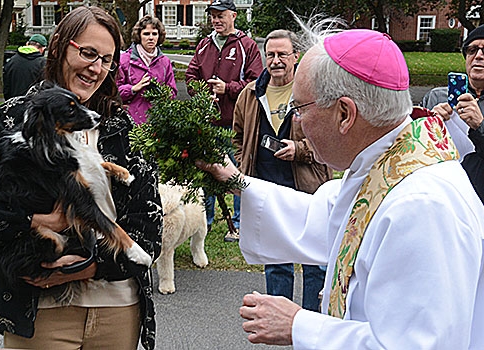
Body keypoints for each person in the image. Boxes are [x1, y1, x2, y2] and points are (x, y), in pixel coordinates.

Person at [199, 24, 484, 348]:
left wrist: (300, 325)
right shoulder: (386, 164)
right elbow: (324, 218)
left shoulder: (421, 207)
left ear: (345, 113)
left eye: (300, 108)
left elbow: (413, 344)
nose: (295, 122)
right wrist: (233, 179)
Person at [0, 7, 162, 350]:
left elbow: (149, 231)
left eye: (106, 59)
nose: (96, 68)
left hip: (118, 310)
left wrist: (86, 268)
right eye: (88, 53)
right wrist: (34, 220)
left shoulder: (123, 131)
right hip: (39, 313)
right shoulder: (11, 120)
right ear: (59, 46)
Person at [232, 29, 331, 311]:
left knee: (314, 263)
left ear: (295, 57)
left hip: (307, 189)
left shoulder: (313, 91)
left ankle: (311, 325)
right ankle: (280, 325)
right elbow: (238, 136)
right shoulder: (249, 94)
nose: (276, 61)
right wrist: (243, 165)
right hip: (266, 190)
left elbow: (331, 138)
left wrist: (299, 150)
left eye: (282, 55)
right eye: (270, 55)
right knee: (276, 263)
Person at [185, 0, 263, 242]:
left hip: (235, 124)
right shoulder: (204, 45)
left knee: (238, 174)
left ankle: (239, 224)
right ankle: (204, 221)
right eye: (213, 16)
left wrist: (227, 88)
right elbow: (190, 75)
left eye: (221, 16)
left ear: (233, 16)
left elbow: (256, 82)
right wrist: (200, 90)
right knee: (207, 173)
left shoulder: (246, 46)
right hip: (207, 122)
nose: (216, 20)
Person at [421, 24, 484, 204]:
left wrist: (480, 125)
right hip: (441, 198)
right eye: (472, 50)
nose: (478, 56)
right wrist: (428, 124)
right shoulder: (437, 96)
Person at [117, 15, 177, 124]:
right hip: (131, 122)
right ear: (139, 35)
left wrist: (161, 93)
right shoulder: (124, 60)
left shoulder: (165, 62)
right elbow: (114, 92)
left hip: (158, 122)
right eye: (146, 34)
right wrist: (133, 88)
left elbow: (172, 91)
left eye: (154, 34)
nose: (150, 38)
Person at [3, 33, 47, 100]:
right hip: (33, 105)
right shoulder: (43, 63)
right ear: (43, 49)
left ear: (27, 44)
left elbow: (6, 86)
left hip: (13, 103)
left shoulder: (12, 61)